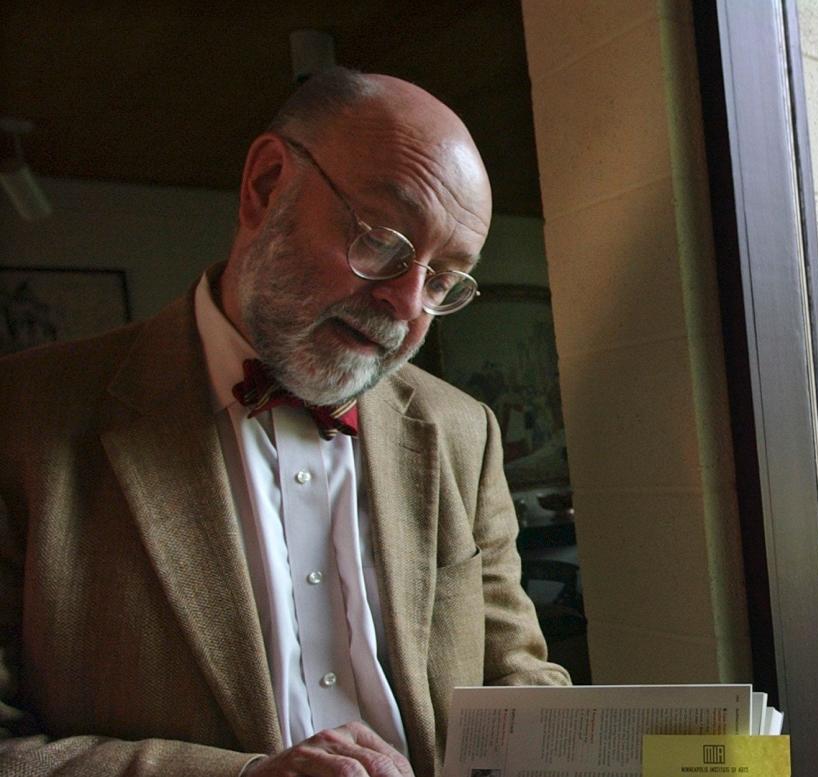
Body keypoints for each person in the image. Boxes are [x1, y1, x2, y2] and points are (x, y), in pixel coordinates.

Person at [0, 68, 569, 777]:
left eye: (444, 279)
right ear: (266, 185)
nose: (407, 306)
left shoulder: (464, 430)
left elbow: (515, 678)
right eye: (384, 242)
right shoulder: (21, 417)